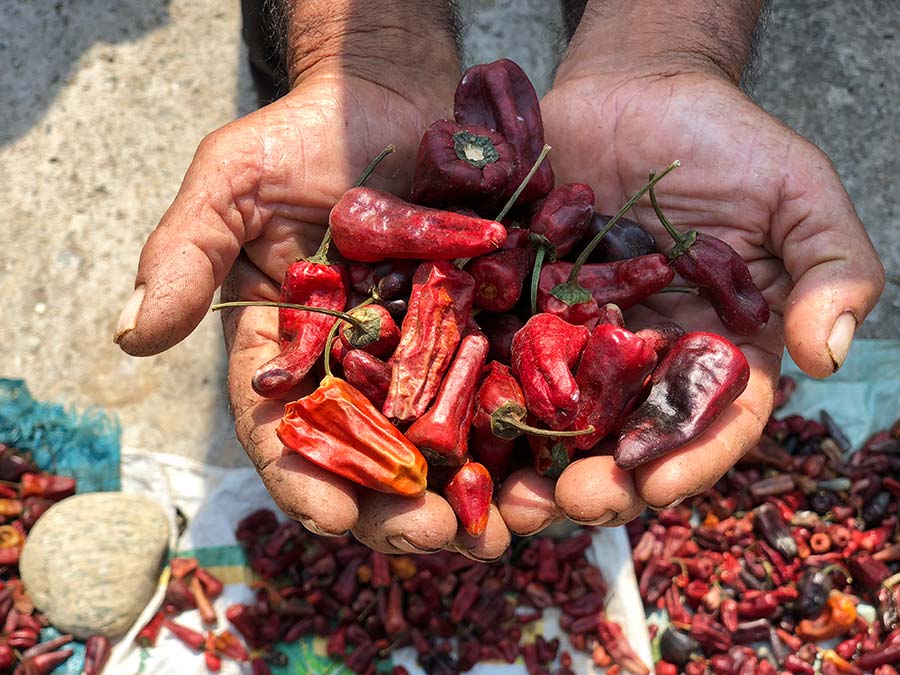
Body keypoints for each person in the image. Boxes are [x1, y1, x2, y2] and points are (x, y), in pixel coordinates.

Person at [112, 0, 885, 560]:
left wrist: (665, 42)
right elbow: (478, 282)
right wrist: (361, 53)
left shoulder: (539, 301)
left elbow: (525, 299)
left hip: (474, 332)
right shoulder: (475, 281)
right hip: (443, 332)